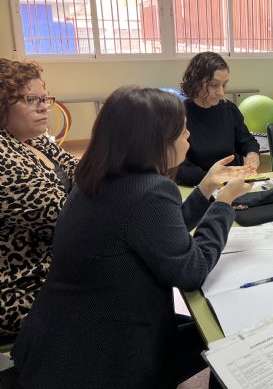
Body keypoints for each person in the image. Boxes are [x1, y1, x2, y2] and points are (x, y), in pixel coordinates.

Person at [12, 86, 254, 389]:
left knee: (207, 329)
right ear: (154, 141)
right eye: (181, 131)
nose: (188, 136)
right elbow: (191, 271)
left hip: (63, 336)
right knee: (225, 335)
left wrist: (205, 187)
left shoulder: (99, 176)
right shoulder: (150, 189)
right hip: (105, 355)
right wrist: (222, 205)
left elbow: (155, 233)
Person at [0, 58, 78, 339]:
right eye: (31, 99)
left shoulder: (37, 139)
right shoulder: (3, 158)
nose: (44, 107)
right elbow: (68, 221)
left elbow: (85, 174)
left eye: (45, 98)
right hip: (22, 286)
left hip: (57, 266)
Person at [176, 52, 260, 186]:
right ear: (196, 83)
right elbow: (181, 170)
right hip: (200, 188)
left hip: (233, 182)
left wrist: (252, 155)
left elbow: (247, 141)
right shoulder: (179, 116)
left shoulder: (228, 109)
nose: (221, 92)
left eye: (224, 85)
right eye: (214, 85)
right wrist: (219, 177)